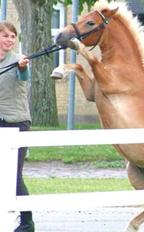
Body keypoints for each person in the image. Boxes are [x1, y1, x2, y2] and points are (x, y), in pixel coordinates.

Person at [0, 21, 34, 232]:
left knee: (13, 175)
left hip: (16, 123)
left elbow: (24, 77)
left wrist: (23, 67)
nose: (9, 40)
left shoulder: (18, 61)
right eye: (5, 36)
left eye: (13, 36)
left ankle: (27, 221)